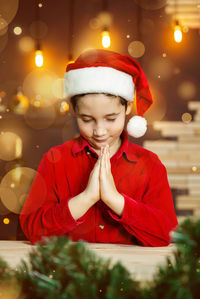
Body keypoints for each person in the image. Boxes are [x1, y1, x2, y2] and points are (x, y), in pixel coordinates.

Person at [20, 49, 178, 246]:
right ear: (75, 111)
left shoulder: (150, 164)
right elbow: (33, 230)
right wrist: (86, 198)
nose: (100, 131)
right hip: (70, 275)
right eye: (87, 120)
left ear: (128, 107)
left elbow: (165, 234)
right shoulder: (54, 159)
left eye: (111, 118)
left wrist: (115, 200)